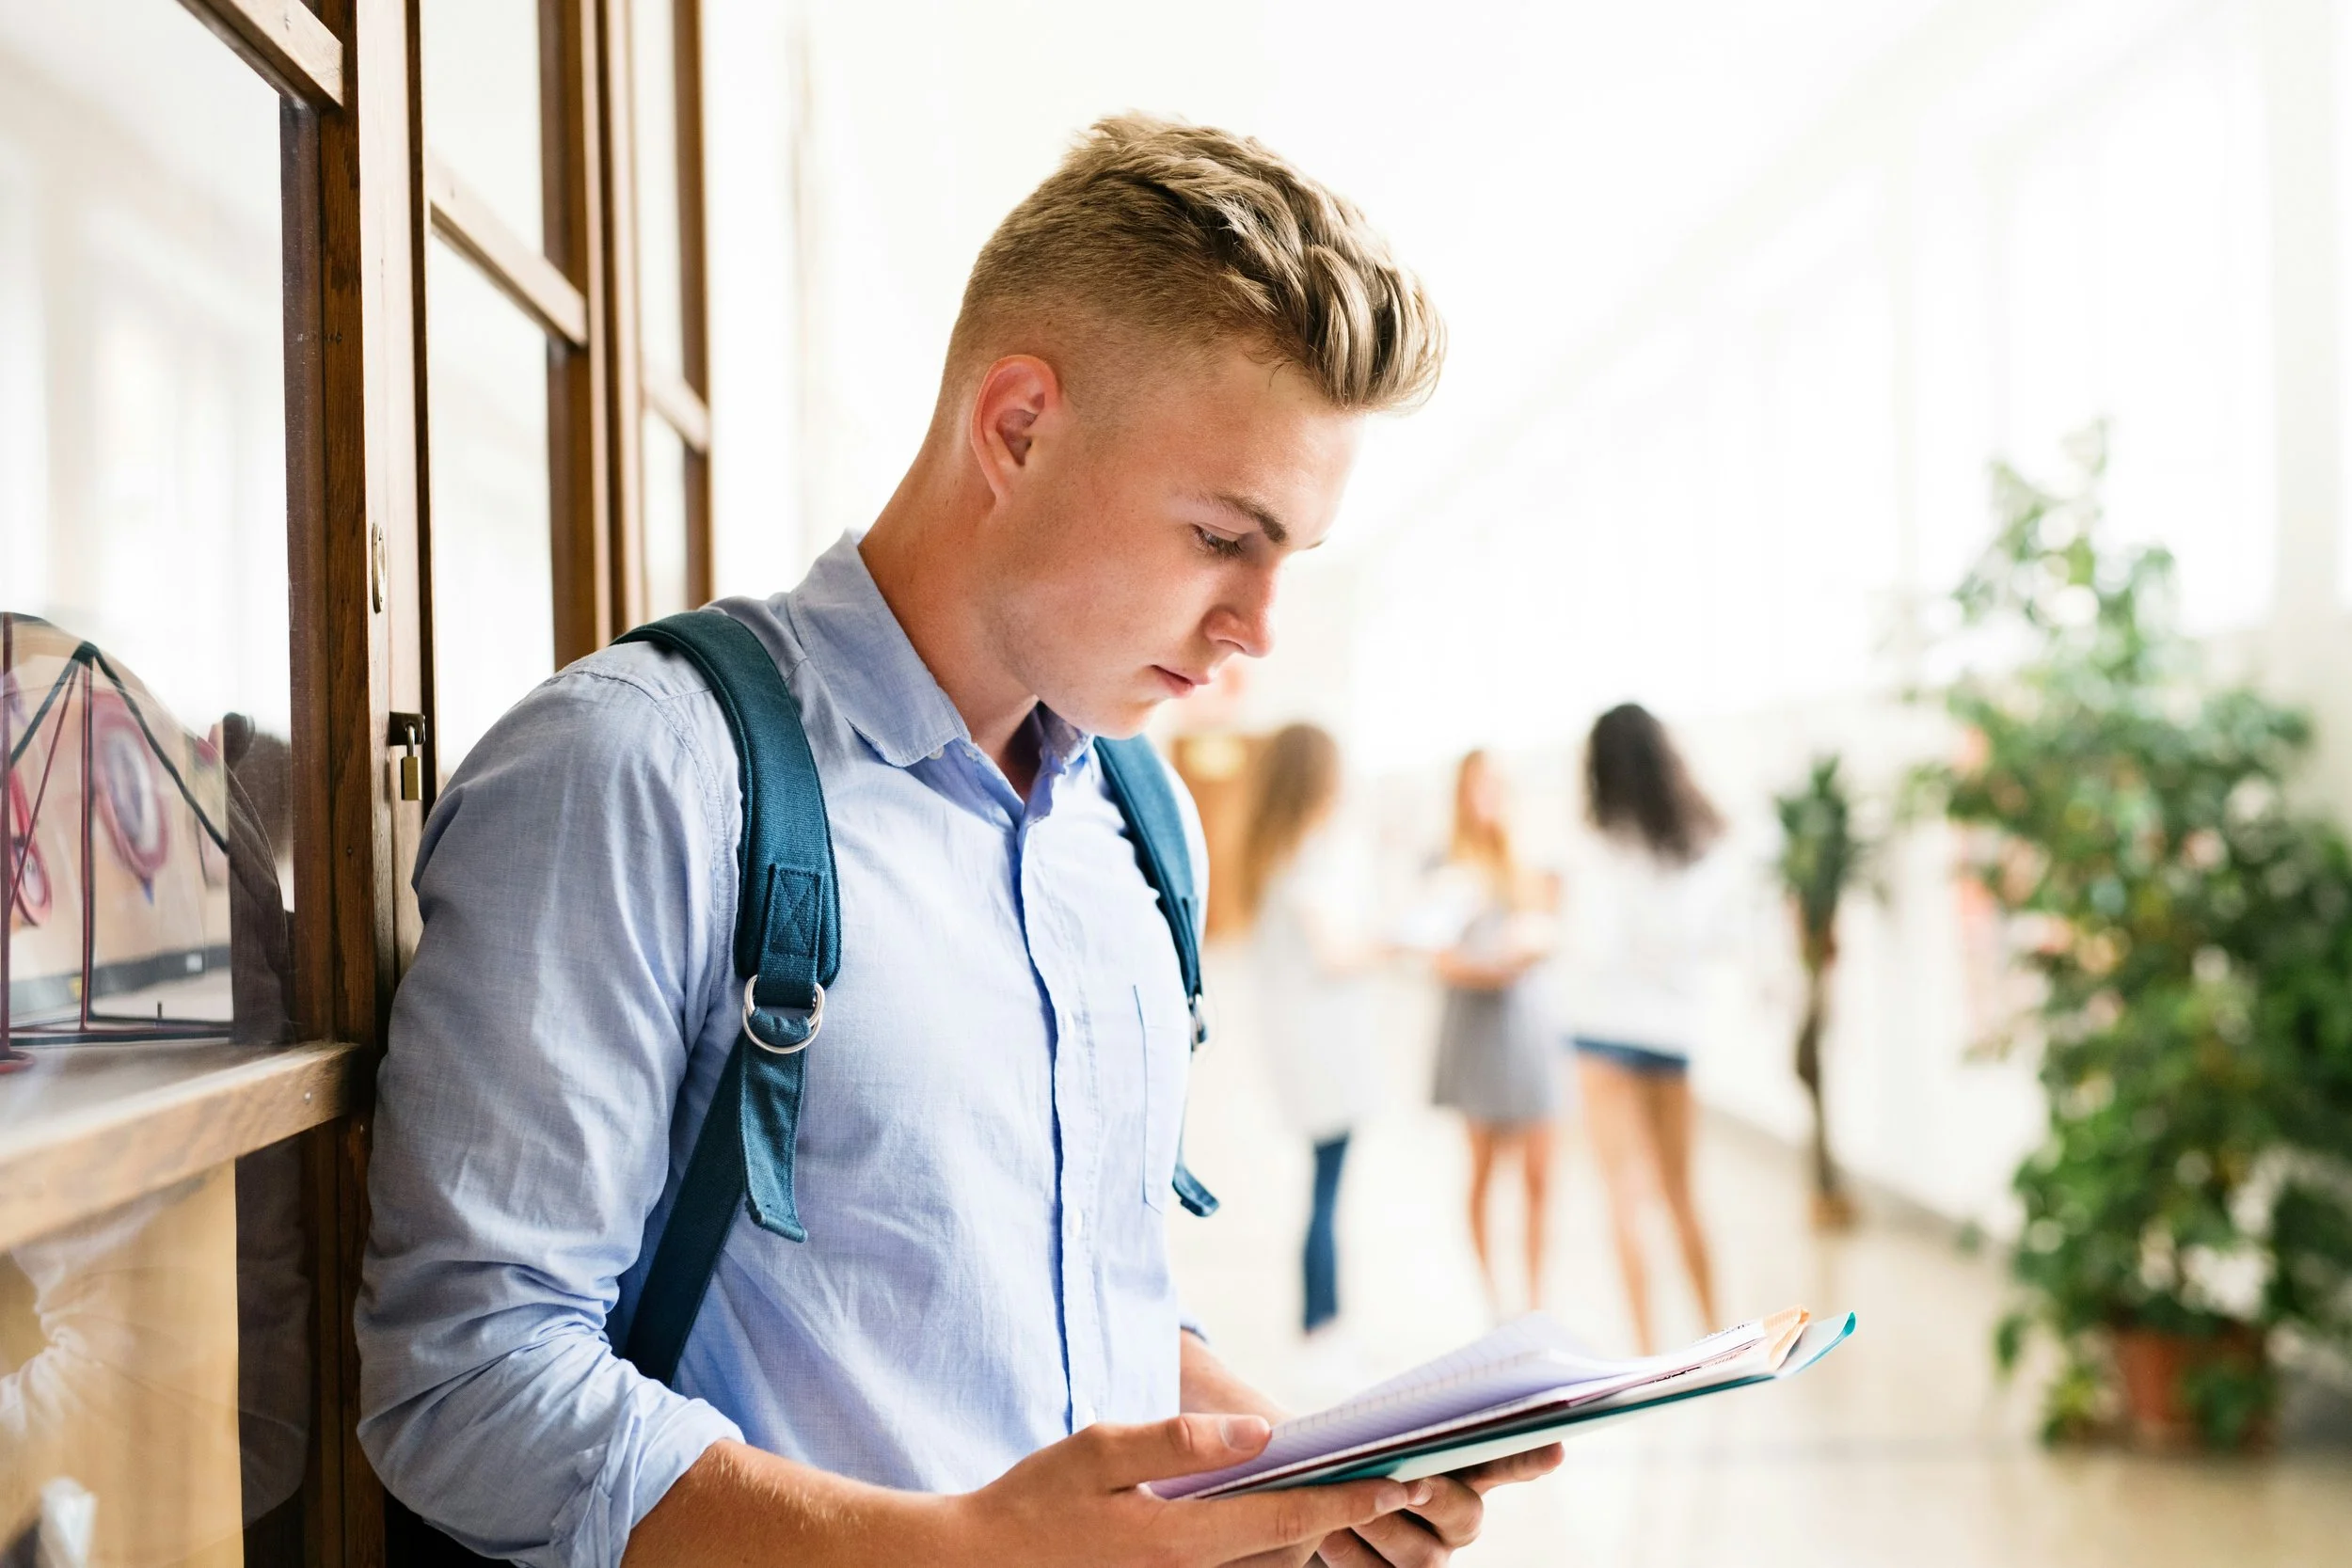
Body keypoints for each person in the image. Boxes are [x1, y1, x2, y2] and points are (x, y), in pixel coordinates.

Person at [356, 116, 1558, 1568]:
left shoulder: (1137, 820)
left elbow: (1058, 1294)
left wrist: (1282, 1476)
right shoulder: (640, 771)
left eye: (1287, 556)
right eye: (1219, 536)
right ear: (1019, 426)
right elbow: (468, 1380)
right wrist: (961, 1544)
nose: (1256, 629)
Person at [1559, 703, 1728, 1354]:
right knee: (1684, 1193)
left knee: (1625, 1196)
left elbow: (1589, 945)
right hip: (1671, 1033)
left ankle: (1649, 1351)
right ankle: (1721, 1340)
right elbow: (1711, 938)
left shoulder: (1595, 843)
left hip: (1602, 1031)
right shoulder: (1694, 842)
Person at [1232, 722, 1380, 1343]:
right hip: (1321, 1051)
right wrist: (1400, 942)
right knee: (1326, 1187)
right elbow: (1334, 955)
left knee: (1323, 1181)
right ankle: (1322, 1318)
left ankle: (1324, 1311)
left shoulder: (1270, 852)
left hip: (1301, 1043)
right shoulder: (1303, 860)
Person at [1428, 749, 1558, 1316]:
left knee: (1539, 1172)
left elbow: (1550, 929)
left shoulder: (1526, 863)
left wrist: (1531, 952)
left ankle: (1533, 1299)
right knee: (1482, 1168)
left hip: (1528, 1025)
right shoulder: (1443, 863)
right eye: (1476, 788)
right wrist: (1492, 966)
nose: (1487, 800)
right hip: (1476, 1026)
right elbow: (1437, 955)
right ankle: (1494, 1298)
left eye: (1496, 788)